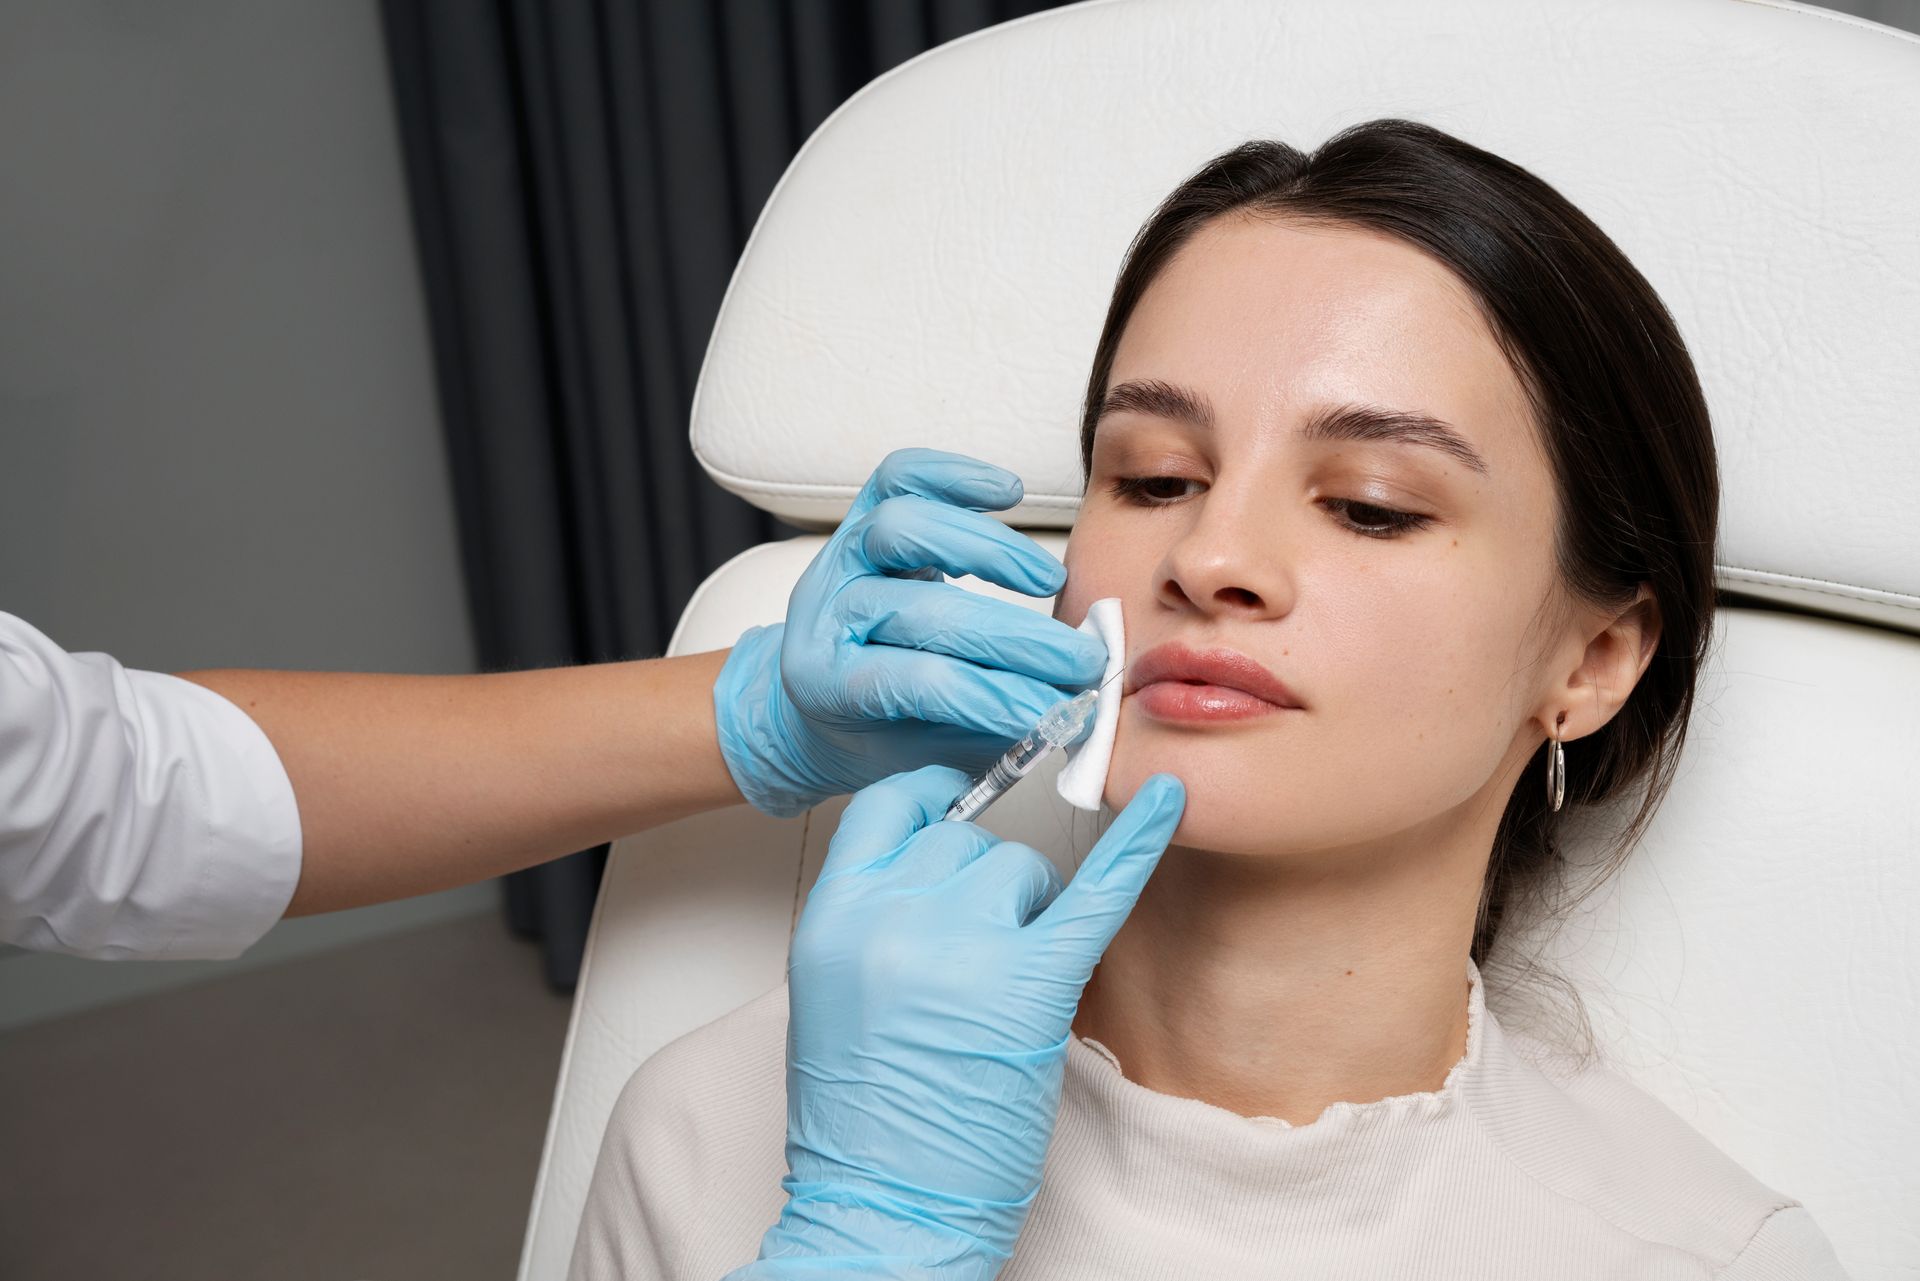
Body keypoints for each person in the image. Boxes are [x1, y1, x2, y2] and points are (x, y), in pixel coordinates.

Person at [566, 120, 1851, 1278]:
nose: (1209, 559)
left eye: (1370, 506)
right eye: (1155, 478)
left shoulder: (1705, 1256)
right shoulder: (722, 1131)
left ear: (1594, 662)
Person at [0, 448, 1107, 960]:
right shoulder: (691, 1119)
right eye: (1160, 479)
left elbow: (120, 792)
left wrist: (756, 713)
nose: (1216, 561)